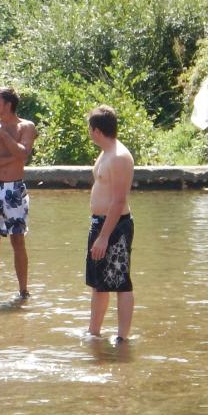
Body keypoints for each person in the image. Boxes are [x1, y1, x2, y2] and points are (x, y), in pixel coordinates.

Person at [0, 87, 36, 298]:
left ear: (8, 104)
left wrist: (3, 135)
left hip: (15, 188)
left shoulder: (26, 127)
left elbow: (23, 153)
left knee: (17, 239)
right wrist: (9, 160)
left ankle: (23, 290)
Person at [86, 104, 135, 342]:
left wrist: (104, 237)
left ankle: (122, 338)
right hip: (100, 223)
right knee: (99, 282)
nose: (88, 132)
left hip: (115, 227)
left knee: (121, 282)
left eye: (89, 128)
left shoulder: (119, 157)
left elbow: (119, 200)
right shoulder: (105, 152)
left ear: (97, 131)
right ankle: (93, 332)